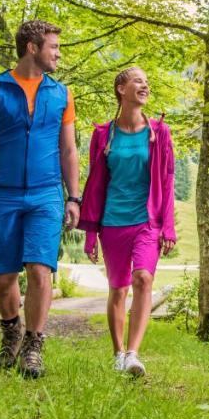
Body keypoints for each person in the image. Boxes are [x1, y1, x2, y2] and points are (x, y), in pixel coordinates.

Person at [0, 20, 80, 379]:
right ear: (32, 47)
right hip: (3, 194)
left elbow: (68, 149)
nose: (58, 53)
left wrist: (73, 197)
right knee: (4, 277)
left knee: (39, 269)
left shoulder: (61, 94)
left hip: (47, 194)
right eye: (53, 47)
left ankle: (33, 344)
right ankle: (11, 330)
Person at [78, 66, 176, 378]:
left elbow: (168, 179)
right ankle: (118, 353)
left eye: (147, 82)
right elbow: (95, 183)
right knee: (118, 289)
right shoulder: (104, 135)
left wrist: (168, 227)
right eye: (138, 81)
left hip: (146, 221)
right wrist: (91, 233)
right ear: (121, 89)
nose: (145, 86)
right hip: (112, 222)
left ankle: (134, 353)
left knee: (143, 279)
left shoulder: (159, 133)